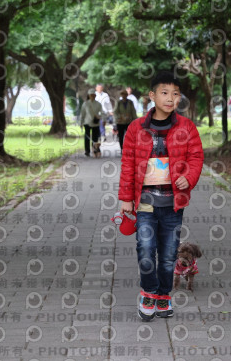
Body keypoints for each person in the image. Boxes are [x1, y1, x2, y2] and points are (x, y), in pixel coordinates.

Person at [118, 71, 204, 321]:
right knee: (145, 249)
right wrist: (125, 197)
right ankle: (148, 293)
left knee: (168, 254)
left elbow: (196, 157)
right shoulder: (136, 128)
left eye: (175, 94)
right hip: (145, 201)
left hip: (173, 204)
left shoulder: (187, 127)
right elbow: (128, 163)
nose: (170, 98)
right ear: (152, 96)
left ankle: (164, 295)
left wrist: (188, 177)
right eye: (164, 93)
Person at [79, 88, 103, 157]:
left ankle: (95, 149)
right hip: (87, 123)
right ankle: (87, 151)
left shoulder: (98, 104)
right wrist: (81, 123)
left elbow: (102, 112)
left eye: (93, 95)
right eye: (91, 95)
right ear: (89, 95)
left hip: (95, 123)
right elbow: (82, 114)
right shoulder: (85, 104)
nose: (92, 96)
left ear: (95, 95)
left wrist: (100, 117)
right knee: (87, 137)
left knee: (95, 137)